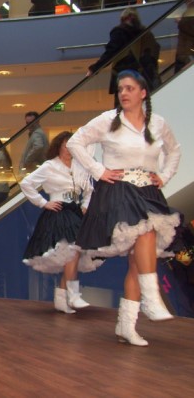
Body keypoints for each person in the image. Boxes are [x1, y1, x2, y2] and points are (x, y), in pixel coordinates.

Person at [67, 69, 181, 346]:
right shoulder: (108, 120)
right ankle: (151, 298)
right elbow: (75, 142)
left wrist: (164, 176)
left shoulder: (158, 123)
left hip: (148, 191)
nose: (124, 93)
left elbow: (174, 150)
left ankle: (126, 326)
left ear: (143, 93)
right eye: (120, 89)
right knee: (146, 231)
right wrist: (98, 170)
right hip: (118, 191)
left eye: (129, 88)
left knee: (137, 259)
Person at [20, 131, 102, 314]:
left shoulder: (80, 167)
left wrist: (85, 205)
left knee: (73, 256)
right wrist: (43, 203)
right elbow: (26, 183)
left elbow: (89, 190)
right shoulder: (50, 166)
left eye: (71, 146)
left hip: (75, 213)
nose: (68, 149)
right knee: (72, 252)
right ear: (58, 146)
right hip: (58, 213)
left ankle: (62, 298)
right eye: (65, 145)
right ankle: (72, 295)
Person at [87, 7, 160, 107]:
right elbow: (154, 51)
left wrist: (94, 68)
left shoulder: (120, 31)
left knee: (122, 103)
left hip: (123, 72)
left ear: (124, 18)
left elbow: (111, 52)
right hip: (143, 76)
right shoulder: (146, 33)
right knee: (141, 106)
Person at [19, 111, 49, 177]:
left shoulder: (37, 133)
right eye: (27, 123)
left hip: (35, 170)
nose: (29, 125)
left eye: (32, 123)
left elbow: (38, 146)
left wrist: (27, 161)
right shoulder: (36, 133)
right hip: (36, 170)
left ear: (38, 121)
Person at [174, 0, 194, 74]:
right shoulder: (188, 11)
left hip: (188, 52)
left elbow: (191, 29)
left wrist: (180, 22)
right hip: (185, 52)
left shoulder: (191, 11)